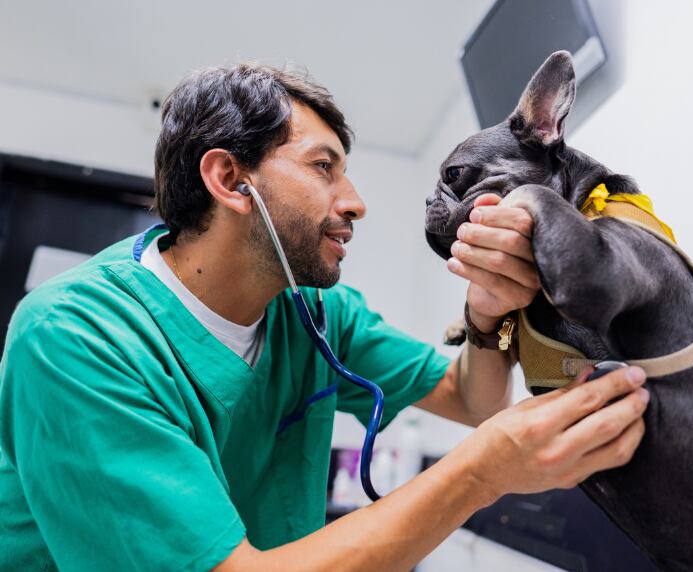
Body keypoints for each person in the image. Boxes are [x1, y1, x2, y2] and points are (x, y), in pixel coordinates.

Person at [0, 63, 648, 571]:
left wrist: (486, 313)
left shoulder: (315, 314)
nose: (356, 202)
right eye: (323, 167)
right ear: (229, 179)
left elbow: (474, 399)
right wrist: (481, 472)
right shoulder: (75, 337)